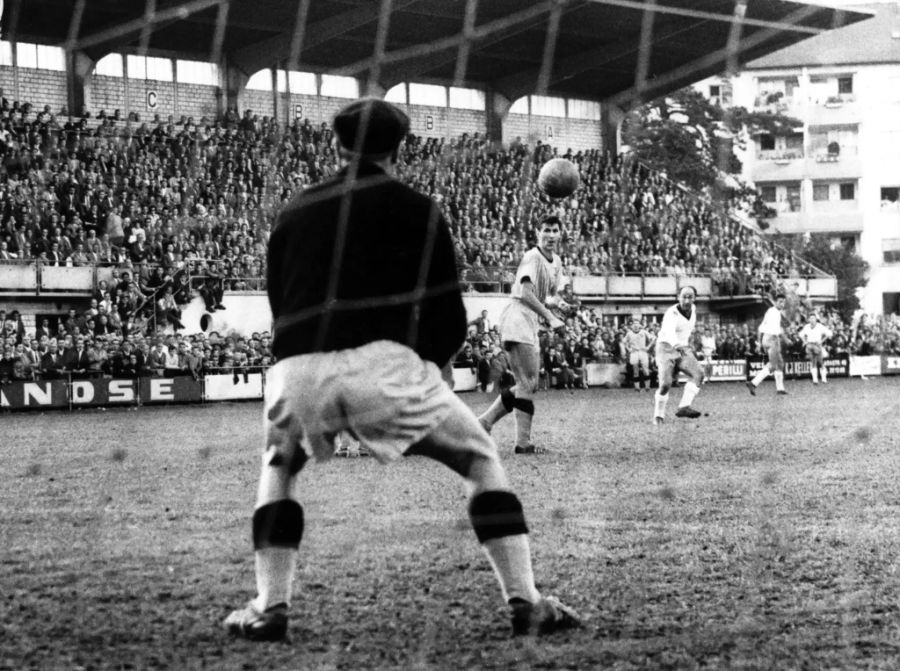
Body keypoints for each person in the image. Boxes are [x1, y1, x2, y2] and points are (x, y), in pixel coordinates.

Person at [224, 98, 581, 642]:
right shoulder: (420, 210)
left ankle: (269, 605)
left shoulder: (294, 208)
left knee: (279, 465)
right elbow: (446, 319)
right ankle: (526, 601)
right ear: (399, 147)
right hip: (387, 364)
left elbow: (281, 305)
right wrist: (428, 371)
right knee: (481, 460)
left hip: (298, 368)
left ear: (336, 145)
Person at [476, 215, 567, 454]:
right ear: (539, 233)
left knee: (530, 384)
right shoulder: (532, 257)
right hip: (518, 316)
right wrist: (550, 317)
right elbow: (526, 294)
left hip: (529, 320)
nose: (550, 234)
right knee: (527, 383)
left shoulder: (556, 261)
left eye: (555, 230)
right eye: (546, 229)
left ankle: (484, 423)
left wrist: (561, 305)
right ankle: (523, 443)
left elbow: (548, 296)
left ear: (560, 234)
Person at [653, 286, 704, 424]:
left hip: (682, 348)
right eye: (684, 297)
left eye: (690, 297)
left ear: (695, 298)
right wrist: (679, 347)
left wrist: (687, 346)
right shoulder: (672, 313)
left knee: (698, 374)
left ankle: (684, 407)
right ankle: (658, 415)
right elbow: (669, 333)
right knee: (665, 384)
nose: (687, 300)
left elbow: (686, 331)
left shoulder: (693, 310)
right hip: (666, 347)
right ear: (678, 297)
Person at [747, 292, 788, 396]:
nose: (782, 304)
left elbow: (760, 328)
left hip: (766, 338)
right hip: (772, 339)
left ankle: (780, 388)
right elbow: (777, 330)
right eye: (780, 302)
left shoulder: (770, 311)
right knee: (773, 365)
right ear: (775, 302)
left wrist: (759, 343)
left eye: (783, 302)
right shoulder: (774, 313)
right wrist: (785, 338)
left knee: (780, 363)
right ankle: (753, 383)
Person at [799, 313, 833, 385]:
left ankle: (824, 378)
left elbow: (829, 333)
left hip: (817, 345)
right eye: (810, 318)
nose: (812, 320)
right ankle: (815, 379)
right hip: (810, 345)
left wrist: (821, 341)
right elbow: (801, 334)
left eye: (813, 318)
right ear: (808, 319)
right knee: (813, 362)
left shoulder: (820, 326)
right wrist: (805, 342)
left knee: (820, 362)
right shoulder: (806, 327)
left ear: (816, 319)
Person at [623, 319, 654, 392]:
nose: (636, 326)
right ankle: (637, 387)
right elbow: (624, 342)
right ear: (632, 326)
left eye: (637, 324)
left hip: (642, 352)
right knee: (635, 369)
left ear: (640, 325)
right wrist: (629, 349)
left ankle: (647, 387)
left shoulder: (644, 332)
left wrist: (648, 347)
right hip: (634, 352)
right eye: (634, 324)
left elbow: (653, 339)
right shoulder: (629, 333)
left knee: (645, 370)